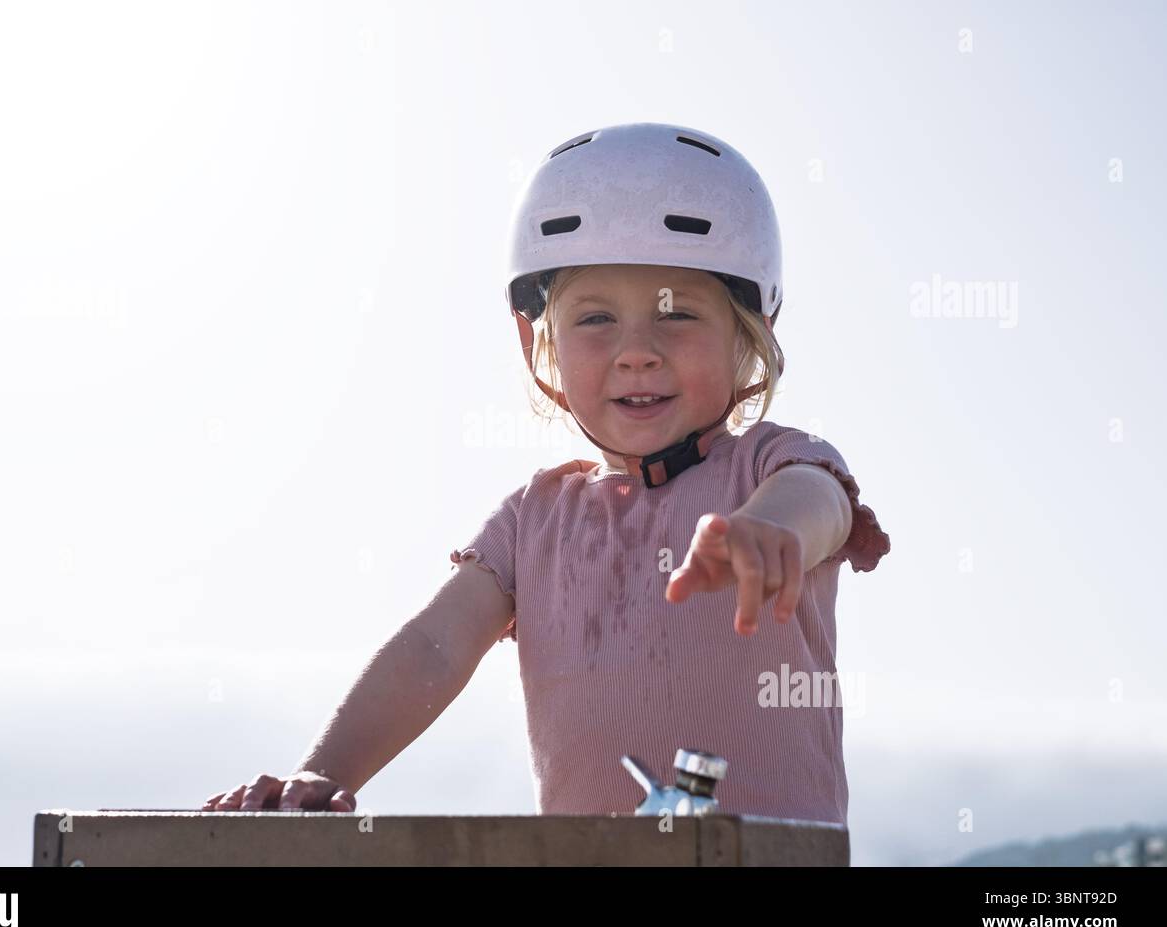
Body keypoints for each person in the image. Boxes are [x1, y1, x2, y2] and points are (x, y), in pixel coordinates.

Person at [201, 123, 890, 823]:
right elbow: (433, 648)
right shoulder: (533, 518)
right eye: (595, 319)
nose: (636, 353)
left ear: (749, 336)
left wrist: (769, 530)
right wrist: (320, 772)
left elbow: (820, 499)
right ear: (543, 343)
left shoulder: (771, 465)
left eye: (676, 314)